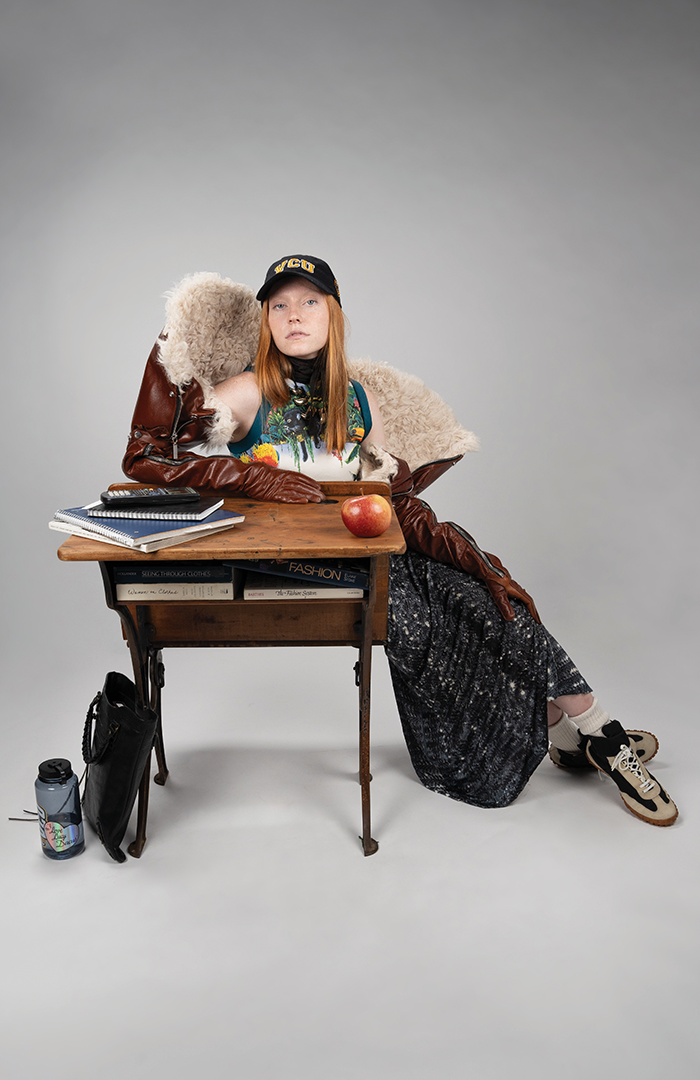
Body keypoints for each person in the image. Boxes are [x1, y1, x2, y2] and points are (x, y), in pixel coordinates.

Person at [123, 255, 678, 826]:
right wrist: (240, 462)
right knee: (429, 617)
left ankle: (590, 732)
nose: (294, 316)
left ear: (333, 316)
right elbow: (147, 458)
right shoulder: (242, 394)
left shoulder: (360, 399)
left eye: (310, 302)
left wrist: (468, 556)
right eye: (280, 305)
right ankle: (572, 732)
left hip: (373, 550)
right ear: (265, 319)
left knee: (488, 598)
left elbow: (390, 498)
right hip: (295, 561)